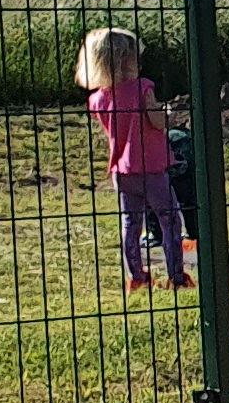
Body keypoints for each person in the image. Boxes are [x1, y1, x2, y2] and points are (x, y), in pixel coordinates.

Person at [73, 27, 188, 292]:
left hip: (122, 170)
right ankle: (176, 276)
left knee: (131, 223)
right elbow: (157, 121)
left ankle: (136, 276)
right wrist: (167, 113)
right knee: (170, 219)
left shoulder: (98, 99)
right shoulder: (143, 89)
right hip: (151, 167)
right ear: (125, 61)